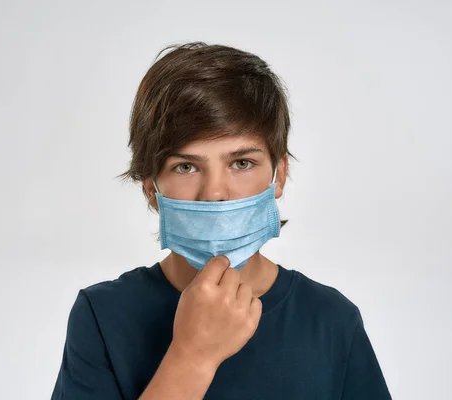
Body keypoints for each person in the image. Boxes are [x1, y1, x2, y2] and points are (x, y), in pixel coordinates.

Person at [51, 42, 392, 400]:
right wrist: (192, 357)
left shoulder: (332, 319)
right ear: (151, 188)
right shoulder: (103, 315)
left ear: (278, 176)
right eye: (186, 167)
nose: (215, 193)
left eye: (241, 163)